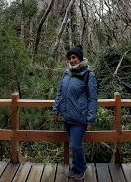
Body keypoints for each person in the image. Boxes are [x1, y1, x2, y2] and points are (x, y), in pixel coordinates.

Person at [53, 45, 98, 181]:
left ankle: (81, 168)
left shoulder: (88, 75)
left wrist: (90, 119)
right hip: (66, 116)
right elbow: (60, 91)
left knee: (75, 145)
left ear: (80, 58)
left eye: (74, 57)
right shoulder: (66, 73)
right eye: (69, 58)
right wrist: (56, 108)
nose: (71, 60)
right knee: (73, 144)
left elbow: (92, 98)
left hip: (79, 118)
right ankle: (75, 167)